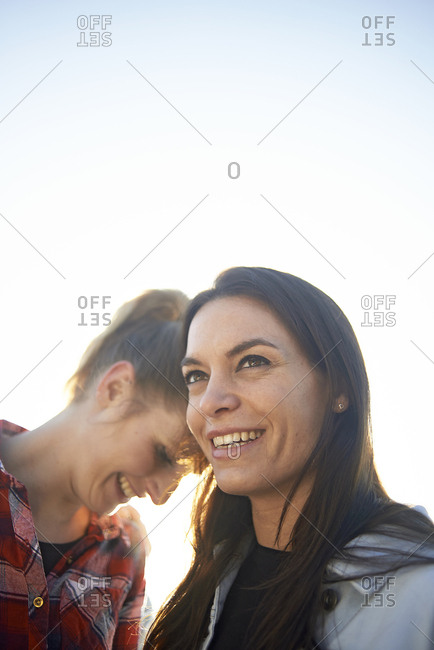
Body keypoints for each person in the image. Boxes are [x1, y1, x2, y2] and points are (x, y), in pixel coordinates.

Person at [145, 267, 434, 650]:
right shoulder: (208, 578)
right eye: (196, 375)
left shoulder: (420, 592)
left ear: (338, 388)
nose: (211, 402)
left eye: (252, 362)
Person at [0, 288, 205, 650]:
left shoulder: (127, 557)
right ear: (114, 389)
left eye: (177, 480)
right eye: (162, 454)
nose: (157, 497)